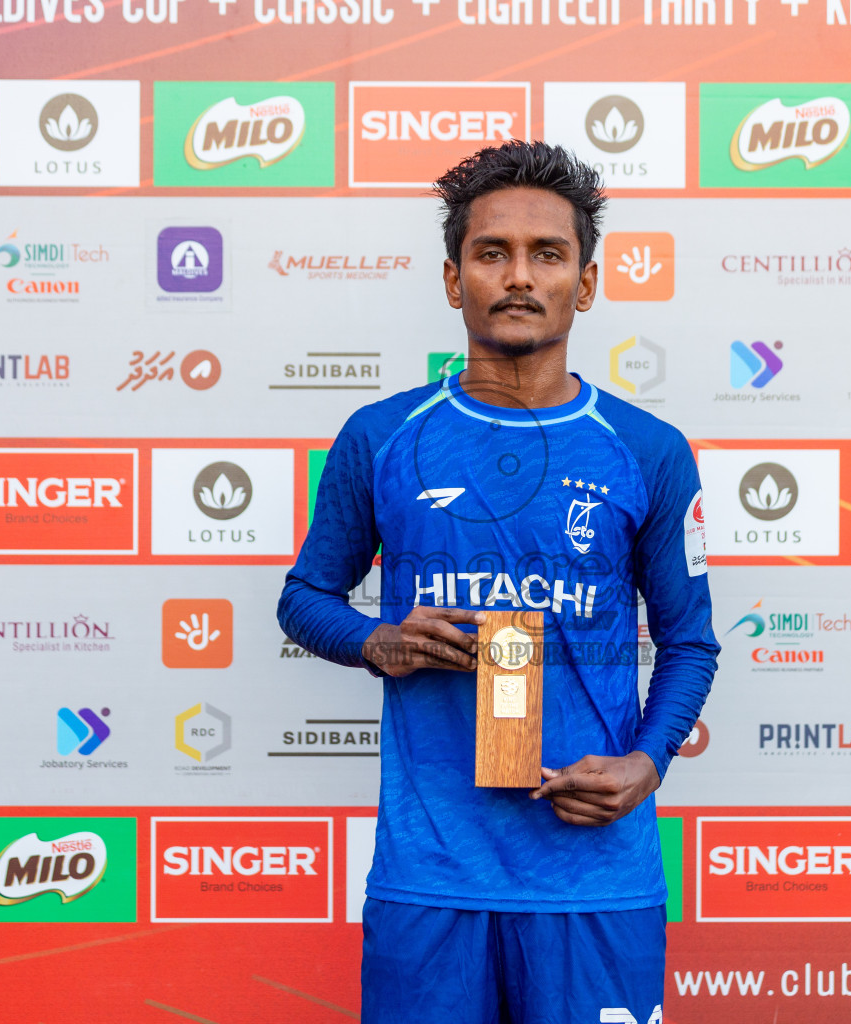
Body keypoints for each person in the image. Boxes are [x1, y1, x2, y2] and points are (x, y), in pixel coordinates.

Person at [276, 139, 719, 1024]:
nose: (519, 276)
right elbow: (304, 598)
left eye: (547, 254)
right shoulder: (381, 436)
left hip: (596, 877)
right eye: (492, 253)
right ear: (453, 280)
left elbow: (689, 641)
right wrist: (377, 640)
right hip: (430, 873)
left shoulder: (649, 451)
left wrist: (647, 762)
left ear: (584, 285)